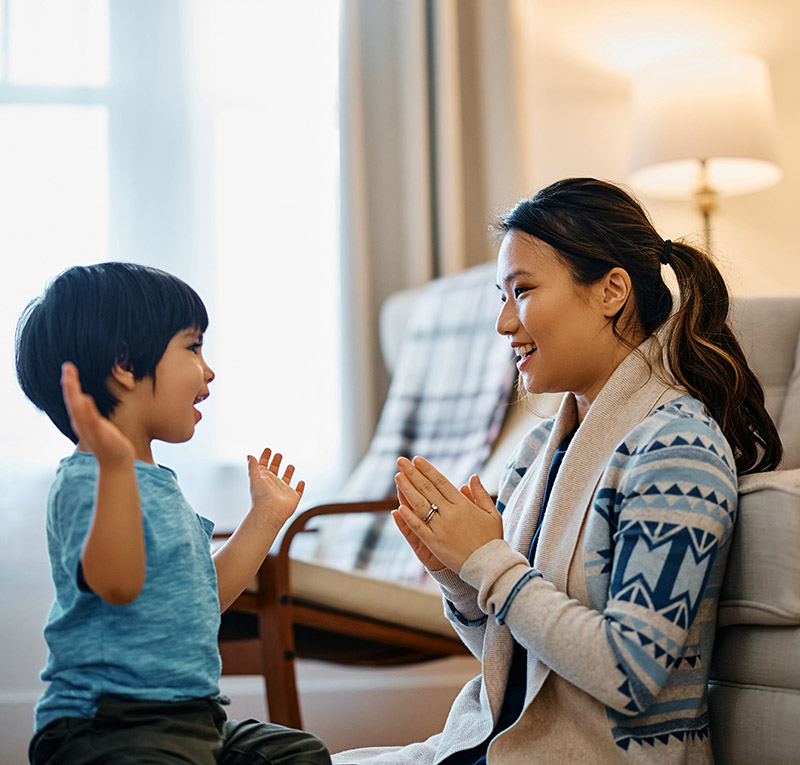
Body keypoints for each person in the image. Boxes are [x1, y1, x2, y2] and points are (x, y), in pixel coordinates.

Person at [332, 178, 782, 765]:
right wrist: (460, 580)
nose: (502, 324)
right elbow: (521, 660)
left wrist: (489, 563)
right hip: (490, 745)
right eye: (501, 295)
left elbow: (631, 673)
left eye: (521, 291)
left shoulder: (677, 450)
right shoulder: (539, 449)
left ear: (611, 290)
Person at [15, 263, 331, 765]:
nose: (208, 371)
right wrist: (116, 467)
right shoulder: (88, 479)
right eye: (192, 347)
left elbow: (203, 597)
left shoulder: (158, 484)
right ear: (124, 364)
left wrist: (265, 517)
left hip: (193, 719)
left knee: (298, 754)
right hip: (107, 726)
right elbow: (117, 584)